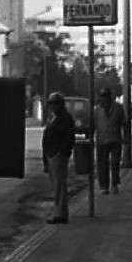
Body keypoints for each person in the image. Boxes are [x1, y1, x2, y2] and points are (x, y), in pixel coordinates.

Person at [42, 92, 75, 224]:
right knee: (55, 185)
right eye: (51, 103)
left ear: (61, 104)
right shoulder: (52, 118)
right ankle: (58, 210)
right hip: (50, 154)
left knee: (59, 186)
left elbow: (69, 139)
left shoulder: (65, 118)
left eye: (55, 103)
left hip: (58, 155)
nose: (53, 106)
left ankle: (61, 214)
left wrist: (61, 152)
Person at [95, 87, 126, 195]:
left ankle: (114, 183)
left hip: (115, 139)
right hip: (102, 140)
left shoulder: (117, 108)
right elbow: (93, 124)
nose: (104, 99)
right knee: (102, 164)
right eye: (102, 96)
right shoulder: (97, 110)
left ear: (110, 96)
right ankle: (104, 186)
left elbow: (124, 122)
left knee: (114, 162)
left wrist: (126, 137)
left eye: (106, 96)